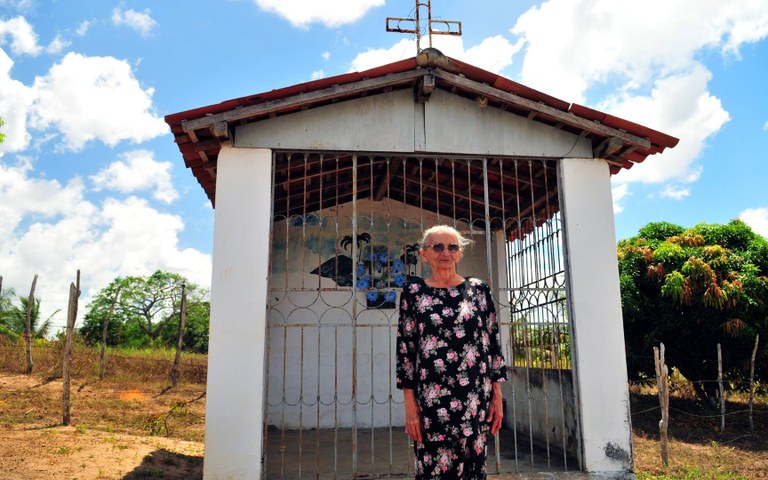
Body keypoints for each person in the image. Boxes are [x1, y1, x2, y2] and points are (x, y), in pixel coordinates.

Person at [396, 225, 507, 479]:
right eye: (437, 246)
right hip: (434, 406)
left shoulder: (479, 290)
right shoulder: (413, 293)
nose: (445, 252)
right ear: (424, 254)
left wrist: (497, 396)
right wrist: (410, 408)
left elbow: (493, 344)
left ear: (459, 254)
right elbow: (406, 351)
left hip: (475, 401)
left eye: (452, 247)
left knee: (473, 473)